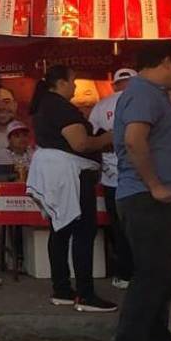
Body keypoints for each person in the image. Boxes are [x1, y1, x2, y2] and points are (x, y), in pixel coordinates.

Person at [110, 42, 171, 341]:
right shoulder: (143, 92)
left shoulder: (153, 95)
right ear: (166, 62)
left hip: (164, 201)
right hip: (147, 199)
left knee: (165, 279)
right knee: (150, 278)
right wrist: (155, 184)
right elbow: (134, 140)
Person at [27, 65, 115, 313]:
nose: (75, 86)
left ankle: (62, 289)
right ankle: (85, 294)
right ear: (61, 83)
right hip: (69, 174)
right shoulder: (59, 106)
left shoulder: (46, 105)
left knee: (61, 229)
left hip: (59, 172)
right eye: (73, 81)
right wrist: (107, 138)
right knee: (83, 231)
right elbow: (80, 143)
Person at [89, 68, 137, 289]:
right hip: (144, 175)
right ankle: (155, 276)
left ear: (115, 84)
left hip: (113, 177)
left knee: (119, 228)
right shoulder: (149, 101)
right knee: (149, 227)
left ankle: (125, 275)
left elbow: (91, 138)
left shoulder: (101, 106)